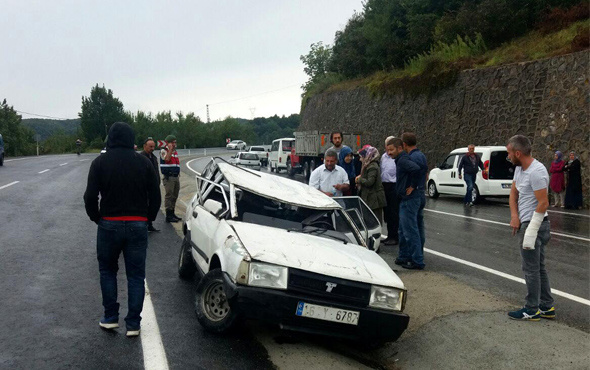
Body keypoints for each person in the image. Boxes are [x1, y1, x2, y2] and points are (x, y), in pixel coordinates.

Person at [83, 122, 161, 336]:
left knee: (108, 271)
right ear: (131, 139)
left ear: (110, 139)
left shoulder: (99, 163)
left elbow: (90, 197)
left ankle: (110, 317)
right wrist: (148, 219)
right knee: (136, 275)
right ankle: (134, 324)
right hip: (137, 223)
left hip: (109, 223)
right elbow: (156, 196)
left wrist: (97, 218)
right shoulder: (144, 163)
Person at [506, 134, 554, 321]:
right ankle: (547, 306)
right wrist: (515, 216)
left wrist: (530, 231)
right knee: (538, 268)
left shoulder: (537, 171)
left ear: (518, 153)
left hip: (536, 225)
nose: (508, 157)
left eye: (509, 153)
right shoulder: (520, 169)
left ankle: (532, 308)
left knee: (531, 269)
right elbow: (513, 193)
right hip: (526, 222)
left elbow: (543, 203)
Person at [388, 138, 424, 270]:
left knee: (409, 230)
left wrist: (412, 186)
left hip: (409, 199)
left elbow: (417, 170)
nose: (389, 153)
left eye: (391, 150)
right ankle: (404, 256)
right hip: (407, 198)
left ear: (400, 148)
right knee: (404, 230)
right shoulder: (402, 159)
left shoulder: (403, 160)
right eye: (387, 150)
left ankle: (417, 261)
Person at [403, 132, 428, 253]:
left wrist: (413, 185)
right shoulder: (421, 155)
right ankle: (420, 251)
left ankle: (415, 254)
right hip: (421, 191)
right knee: (419, 225)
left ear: (404, 144)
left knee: (411, 227)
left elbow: (416, 171)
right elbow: (425, 172)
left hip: (414, 194)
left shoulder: (412, 157)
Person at [355, 145, 387, 229]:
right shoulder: (368, 165)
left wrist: (359, 180)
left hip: (374, 199)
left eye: (362, 157)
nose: (360, 159)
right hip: (370, 198)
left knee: (375, 221)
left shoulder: (372, 167)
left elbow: (370, 182)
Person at [381, 136, 399, 245]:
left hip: (394, 185)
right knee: (387, 213)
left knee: (394, 213)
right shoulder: (383, 157)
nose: (388, 150)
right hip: (385, 185)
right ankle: (389, 235)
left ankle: (395, 236)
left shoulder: (397, 158)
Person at [140, 137, 160, 232]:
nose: (152, 148)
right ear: (145, 146)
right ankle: (144, 225)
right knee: (145, 206)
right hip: (145, 187)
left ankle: (150, 224)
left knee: (153, 205)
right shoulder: (141, 158)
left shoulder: (153, 157)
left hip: (154, 186)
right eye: (150, 146)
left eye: (153, 146)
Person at [160, 134, 181, 222]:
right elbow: (167, 159)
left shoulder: (174, 152)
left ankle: (172, 213)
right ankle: (168, 215)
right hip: (169, 177)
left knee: (174, 196)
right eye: (173, 142)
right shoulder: (164, 151)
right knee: (169, 196)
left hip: (175, 177)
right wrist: (170, 150)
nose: (175, 144)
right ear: (168, 143)